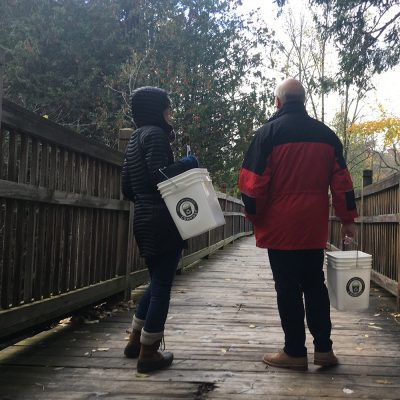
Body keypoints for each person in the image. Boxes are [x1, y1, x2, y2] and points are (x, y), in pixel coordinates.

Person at [238, 78, 358, 371]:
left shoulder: (267, 134)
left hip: (279, 229)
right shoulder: (327, 136)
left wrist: (254, 216)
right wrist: (347, 221)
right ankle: (325, 350)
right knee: (315, 285)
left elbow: (253, 185)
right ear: (303, 101)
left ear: (278, 102)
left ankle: (294, 352)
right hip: (312, 227)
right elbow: (342, 183)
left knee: (287, 289)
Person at [121, 86, 198, 373]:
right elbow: (159, 176)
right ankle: (149, 352)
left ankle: (134, 340)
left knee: (156, 281)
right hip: (162, 220)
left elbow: (127, 187)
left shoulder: (135, 139)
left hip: (142, 217)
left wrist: (144, 201)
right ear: (157, 110)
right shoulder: (155, 135)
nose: (171, 112)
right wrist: (187, 164)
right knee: (163, 286)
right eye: (168, 107)